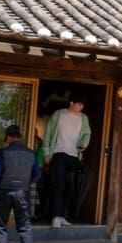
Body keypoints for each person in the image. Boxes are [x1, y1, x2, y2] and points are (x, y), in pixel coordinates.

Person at [0, 124, 41, 243]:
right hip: (23, 192)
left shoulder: (3, 152)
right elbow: (37, 174)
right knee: (25, 226)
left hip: (5, 191)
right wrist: (27, 183)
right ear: (20, 137)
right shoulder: (31, 154)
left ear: (8, 137)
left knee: (1, 226)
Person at [42, 92, 91, 229]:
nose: (81, 107)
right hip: (58, 152)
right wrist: (46, 153)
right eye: (79, 104)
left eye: (82, 105)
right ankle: (55, 216)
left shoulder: (84, 118)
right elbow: (49, 133)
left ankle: (63, 216)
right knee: (60, 184)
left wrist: (83, 145)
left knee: (70, 186)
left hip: (74, 155)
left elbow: (87, 134)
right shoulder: (59, 114)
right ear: (71, 103)